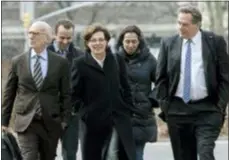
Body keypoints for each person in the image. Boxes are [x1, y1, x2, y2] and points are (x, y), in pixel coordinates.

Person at [155, 5, 229, 160]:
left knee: (205, 153)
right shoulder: (169, 43)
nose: (180, 27)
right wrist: (165, 105)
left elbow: (225, 77)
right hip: (177, 110)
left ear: (197, 24)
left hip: (207, 109)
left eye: (185, 24)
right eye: (179, 23)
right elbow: (161, 77)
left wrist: (220, 106)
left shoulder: (215, 42)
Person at [1, 21, 71, 160]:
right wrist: (4, 121)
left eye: (35, 33)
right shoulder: (18, 61)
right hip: (26, 121)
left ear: (46, 38)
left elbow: (66, 94)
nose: (31, 36)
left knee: (48, 157)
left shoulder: (60, 63)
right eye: (30, 33)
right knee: (29, 157)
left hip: (50, 121)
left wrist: (64, 120)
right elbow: (9, 93)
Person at [71, 24, 136, 160]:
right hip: (93, 123)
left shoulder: (117, 60)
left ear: (107, 41)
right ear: (87, 43)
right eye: (93, 40)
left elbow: (126, 87)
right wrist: (85, 114)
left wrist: (128, 109)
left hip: (118, 120)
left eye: (101, 39)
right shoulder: (80, 64)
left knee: (114, 155)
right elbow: (73, 95)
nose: (97, 43)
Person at [116, 25, 158, 160]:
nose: (130, 45)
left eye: (134, 41)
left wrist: (151, 100)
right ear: (122, 42)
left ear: (139, 41)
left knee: (136, 155)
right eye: (127, 41)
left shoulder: (150, 60)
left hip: (141, 115)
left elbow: (162, 83)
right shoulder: (114, 59)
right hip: (119, 115)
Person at [47, 19, 83, 160]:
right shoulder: (43, 53)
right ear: (54, 35)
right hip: (48, 113)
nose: (65, 41)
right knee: (47, 152)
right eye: (62, 37)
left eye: (69, 38)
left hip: (71, 114)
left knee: (70, 154)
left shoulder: (80, 56)